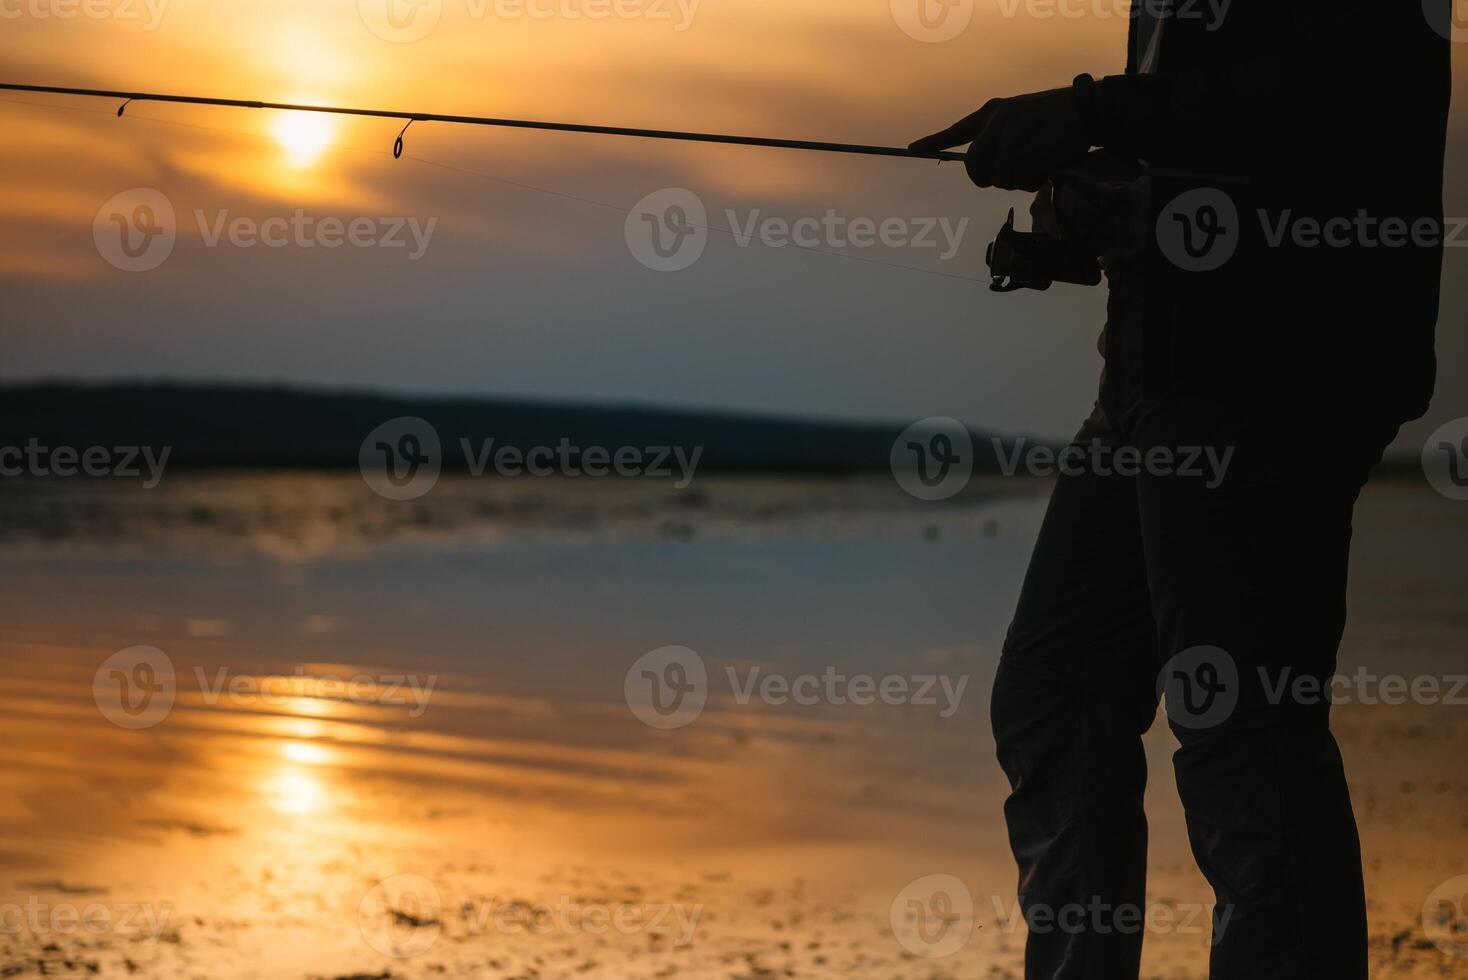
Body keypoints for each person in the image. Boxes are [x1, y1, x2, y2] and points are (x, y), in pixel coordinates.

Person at [910, 4, 1450, 979]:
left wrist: (1087, 113)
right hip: (1149, 375)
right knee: (1053, 699)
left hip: (1273, 377)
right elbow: (1212, 151)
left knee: (1239, 728)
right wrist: (1106, 206)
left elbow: (1330, 101)